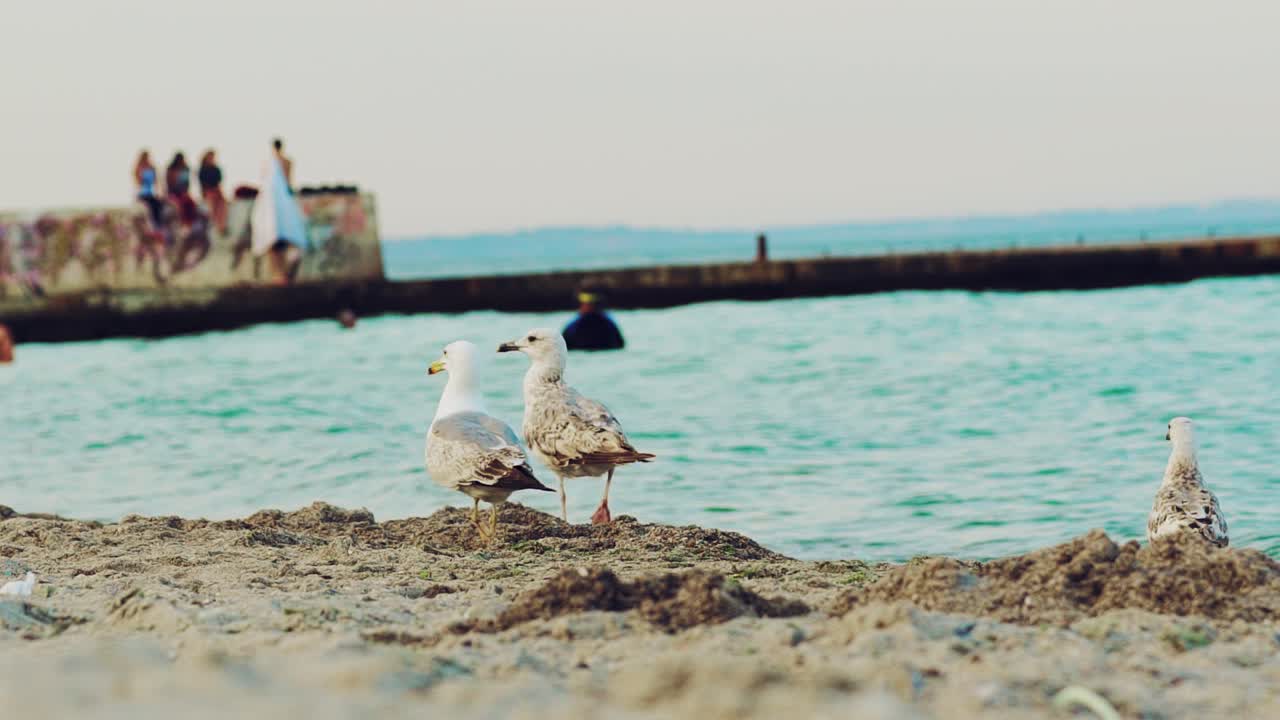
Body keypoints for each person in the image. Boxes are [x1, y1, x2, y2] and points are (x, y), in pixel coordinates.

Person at [165, 152, 197, 228]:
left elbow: (187, 183)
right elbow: (169, 184)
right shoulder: (171, 169)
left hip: (183, 193)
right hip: (173, 194)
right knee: (178, 205)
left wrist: (185, 192)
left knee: (190, 204)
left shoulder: (185, 169)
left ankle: (188, 225)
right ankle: (181, 223)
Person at [198, 150, 227, 233]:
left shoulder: (216, 169)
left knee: (222, 203)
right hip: (208, 191)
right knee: (212, 204)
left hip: (216, 190)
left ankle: (221, 225)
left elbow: (219, 182)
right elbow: (203, 184)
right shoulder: (203, 169)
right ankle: (215, 223)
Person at [133, 150, 163, 227]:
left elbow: (156, 181)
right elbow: (138, 182)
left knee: (157, 206)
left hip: (150, 193)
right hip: (143, 194)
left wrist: (158, 192)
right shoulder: (139, 168)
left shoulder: (152, 168)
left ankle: (157, 225)